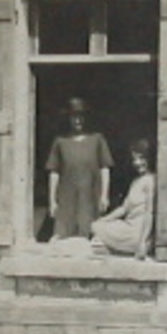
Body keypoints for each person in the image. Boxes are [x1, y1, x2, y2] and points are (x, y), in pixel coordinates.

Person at [46, 97, 113, 241]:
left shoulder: (97, 139)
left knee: (91, 235)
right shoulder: (60, 142)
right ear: (68, 118)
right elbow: (54, 172)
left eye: (80, 116)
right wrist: (52, 200)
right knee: (62, 237)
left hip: (90, 195)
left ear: (86, 117)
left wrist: (104, 195)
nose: (77, 121)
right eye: (73, 117)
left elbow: (105, 168)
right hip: (67, 197)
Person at [91, 139, 156, 259]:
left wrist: (143, 240)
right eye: (134, 159)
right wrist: (103, 220)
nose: (137, 163)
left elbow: (149, 213)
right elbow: (123, 209)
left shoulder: (150, 181)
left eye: (142, 158)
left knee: (98, 232)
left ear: (149, 158)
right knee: (96, 226)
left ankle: (130, 246)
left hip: (138, 232)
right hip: (128, 227)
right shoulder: (136, 181)